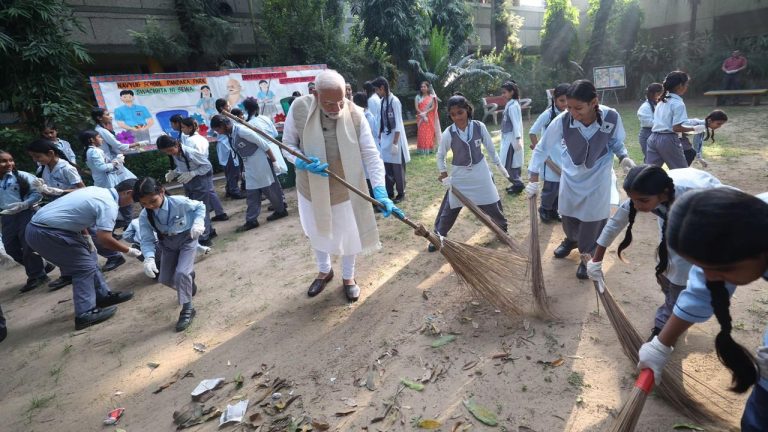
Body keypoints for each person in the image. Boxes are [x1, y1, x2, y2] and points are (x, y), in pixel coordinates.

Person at [636, 188, 768, 432]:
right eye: (701, 266)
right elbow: (700, 291)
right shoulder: (737, 227)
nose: (709, 277)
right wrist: (660, 345)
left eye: (722, 269)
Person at [281, 69, 403, 302]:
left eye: (341, 101)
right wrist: (300, 161)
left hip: (344, 189)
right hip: (310, 188)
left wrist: (380, 190)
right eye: (329, 103)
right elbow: (287, 144)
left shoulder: (356, 114)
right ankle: (325, 270)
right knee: (317, 230)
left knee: (349, 235)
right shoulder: (299, 109)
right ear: (315, 94)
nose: (337, 109)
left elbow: (370, 154)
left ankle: (349, 277)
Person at [586, 165, 725, 338]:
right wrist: (596, 261)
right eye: (633, 199)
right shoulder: (649, 194)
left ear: (664, 193)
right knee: (666, 268)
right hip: (673, 219)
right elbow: (615, 223)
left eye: (642, 201)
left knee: (679, 278)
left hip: (703, 225)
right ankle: (673, 301)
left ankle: (664, 327)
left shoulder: (694, 195)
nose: (636, 205)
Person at [526, 79, 636, 279]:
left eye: (578, 108)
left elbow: (615, 141)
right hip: (571, 174)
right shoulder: (563, 120)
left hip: (598, 175)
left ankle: (588, 255)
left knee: (593, 220)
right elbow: (542, 147)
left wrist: (623, 157)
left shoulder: (611, 117)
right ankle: (572, 239)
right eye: (568, 107)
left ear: (594, 102)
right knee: (568, 216)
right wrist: (533, 178)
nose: (573, 114)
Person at [25, 180, 140, 329]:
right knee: (83, 267)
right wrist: (128, 250)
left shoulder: (97, 190)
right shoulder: (108, 204)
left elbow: (79, 217)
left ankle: (102, 296)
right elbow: (105, 239)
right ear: (128, 193)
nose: (132, 204)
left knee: (90, 258)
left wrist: (86, 238)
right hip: (47, 232)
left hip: (49, 228)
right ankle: (85, 313)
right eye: (135, 199)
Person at [428, 95, 508, 253]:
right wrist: (444, 175)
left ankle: (502, 229)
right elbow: (440, 155)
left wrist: (499, 165)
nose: (457, 117)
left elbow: (491, 149)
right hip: (460, 175)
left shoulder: (479, 126)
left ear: (468, 110)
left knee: (492, 201)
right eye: (453, 114)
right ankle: (438, 235)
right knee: (451, 207)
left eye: (460, 112)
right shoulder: (449, 133)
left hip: (480, 170)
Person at [133, 177, 206, 331]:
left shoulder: (178, 202)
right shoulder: (145, 215)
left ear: (162, 191)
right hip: (167, 245)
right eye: (144, 204)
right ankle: (188, 281)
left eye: (153, 201)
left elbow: (200, 207)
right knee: (165, 279)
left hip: (187, 240)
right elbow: (146, 239)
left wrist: (199, 222)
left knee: (180, 273)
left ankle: (187, 309)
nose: (150, 206)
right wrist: (149, 258)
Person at [210, 114, 288, 232]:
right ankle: (251, 220)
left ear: (223, 125)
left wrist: (274, 162)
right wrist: (244, 169)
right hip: (250, 163)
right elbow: (241, 154)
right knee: (252, 192)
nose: (218, 133)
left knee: (270, 189)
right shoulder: (232, 134)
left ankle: (281, 210)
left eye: (218, 129)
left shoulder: (242, 131)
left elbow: (264, 144)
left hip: (260, 161)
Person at [27, 139, 86, 291]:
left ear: (51, 153)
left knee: (87, 238)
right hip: (58, 208)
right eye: (33, 157)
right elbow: (47, 189)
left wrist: (60, 191)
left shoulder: (66, 168)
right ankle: (68, 273)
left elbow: (82, 189)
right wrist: (43, 192)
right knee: (63, 241)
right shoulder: (44, 169)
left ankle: (114, 256)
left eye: (37, 156)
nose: (35, 160)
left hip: (72, 206)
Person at [0, 149, 53, 292]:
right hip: (7, 217)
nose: (8, 163)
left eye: (10, 160)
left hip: (26, 213)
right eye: (3, 161)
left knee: (28, 245)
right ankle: (42, 266)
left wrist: (24, 204)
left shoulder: (22, 176)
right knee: (10, 248)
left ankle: (37, 276)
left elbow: (37, 193)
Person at [155, 135, 216, 246]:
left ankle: (204, 238)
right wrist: (174, 172)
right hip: (188, 181)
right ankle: (209, 231)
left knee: (199, 209)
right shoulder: (176, 153)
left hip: (200, 181)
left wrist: (193, 173)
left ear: (177, 144)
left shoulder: (190, 152)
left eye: (170, 150)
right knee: (191, 208)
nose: (169, 153)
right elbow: (183, 166)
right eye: (166, 152)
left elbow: (207, 166)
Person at [529, 83, 569, 223]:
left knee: (561, 187)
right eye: (561, 100)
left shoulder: (571, 113)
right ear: (555, 99)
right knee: (551, 188)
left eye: (567, 100)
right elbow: (532, 132)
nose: (565, 104)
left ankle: (554, 211)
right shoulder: (548, 114)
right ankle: (545, 209)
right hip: (549, 159)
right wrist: (538, 150)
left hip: (563, 157)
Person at [82, 129, 136, 234]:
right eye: (99, 137)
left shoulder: (92, 151)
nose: (101, 139)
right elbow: (102, 168)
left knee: (119, 206)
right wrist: (116, 162)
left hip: (105, 181)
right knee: (122, 205)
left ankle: (124, 227)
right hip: (106, 182)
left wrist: (115, 161)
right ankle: (124, 228)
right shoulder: (94, 151)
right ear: (91, 140)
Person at [646, 71, 701, 169]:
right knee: (681, 171)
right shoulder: (677, 104)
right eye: (686, 84)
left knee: (650, 172)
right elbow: (676, 128)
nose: (687, 87)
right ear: (680, 85)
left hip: (653, 138)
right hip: (668, 140)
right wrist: (695, 129)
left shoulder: (661, 101)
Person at [179, 117, 229, 222]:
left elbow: (190, 158)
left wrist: (191, 172)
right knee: (210, 192)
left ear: (190, 127)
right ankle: (220, 213)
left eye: (183, 127)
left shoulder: (189, 141)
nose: (182, 130)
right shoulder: (202, 138)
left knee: (200, 200)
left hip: (198, 169)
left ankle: (206, 224)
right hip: (206, 166)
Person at [371, 76, 410, 203]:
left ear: (382, 88)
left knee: (397, 168)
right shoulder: (382, 102)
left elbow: (398, 123)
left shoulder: (395, 101)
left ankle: (401, 192)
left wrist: (395, 143)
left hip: (395, 139)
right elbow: (380, 122)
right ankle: (389, 192)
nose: (377, 93)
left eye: (377, 90)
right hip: (386, 139)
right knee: (387, 168)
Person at [499, 81, 525, 195]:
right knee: (512, 162)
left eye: (505, 92)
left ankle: (518, 184)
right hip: (508, 137)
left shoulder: (513, 106)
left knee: (508, 163)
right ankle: (516, 183)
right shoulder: (511, 104)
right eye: (502, 92)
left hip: (512, 139)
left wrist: (518, 139)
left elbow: (516, 123)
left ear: (511, 92)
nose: (503, 94)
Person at [636, 83, 663, 160]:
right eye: (659, 94)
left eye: (662, 93)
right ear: (652, 94)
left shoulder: (660, 104)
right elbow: (648, 123)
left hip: (658, 135)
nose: (661, 96)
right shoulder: (645, 107)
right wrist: (665, 123)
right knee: (650, 160)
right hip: (647, 135)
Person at [415, 81, 439, 155]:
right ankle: (421, 150)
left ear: (428, 88)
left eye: (424, 86)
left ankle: (430, 149)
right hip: (421, 118)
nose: (423, 88)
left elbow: (433, 107)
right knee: (421, 133)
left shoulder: (432, 97)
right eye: (421, 87)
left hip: (429, 117)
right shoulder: (418, 97)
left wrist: (425, 113)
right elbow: (416, 108)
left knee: (429, 132)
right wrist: (422, 115)